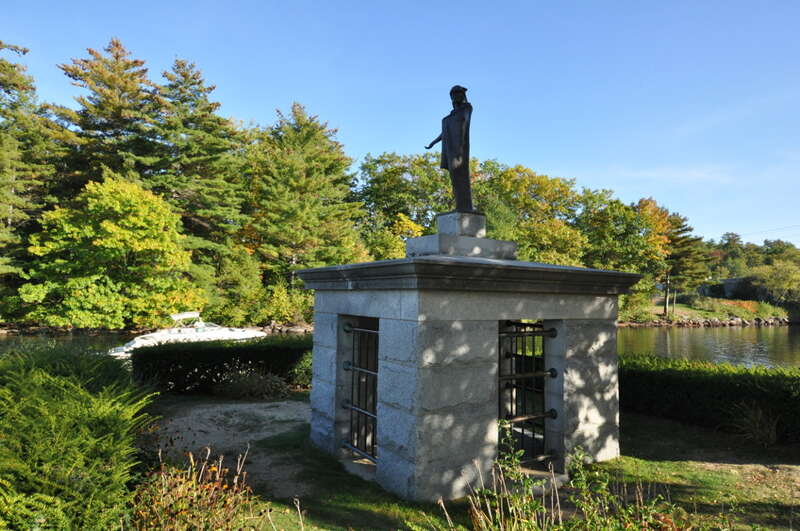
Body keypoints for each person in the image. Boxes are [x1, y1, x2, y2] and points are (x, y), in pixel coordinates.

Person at [425, 85, 475, 212]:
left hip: (460, 150)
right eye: (452, 95)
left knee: (461, 176)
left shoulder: (466, 108)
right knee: (454, 178)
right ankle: (460, 205)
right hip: (451, 149)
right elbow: (445, 132)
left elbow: (463, 120)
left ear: (462, 95)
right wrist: (434, 142)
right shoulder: (453, 114)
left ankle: (465, 206)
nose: (454, 98)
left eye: (457, 94)